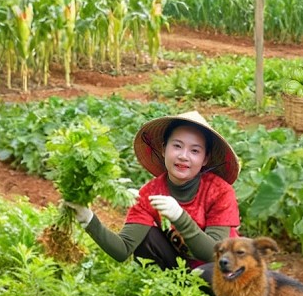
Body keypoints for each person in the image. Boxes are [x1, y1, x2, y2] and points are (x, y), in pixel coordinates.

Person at [68, 110, 240, 281]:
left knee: (213, 274)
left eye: (195, 151)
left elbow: (217, 255)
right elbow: (123, 249)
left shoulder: (219, 191)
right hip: (181, 272)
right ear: (164, 149)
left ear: (205, 159)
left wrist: (180, 218)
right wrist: (88, 219)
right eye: (177, 146)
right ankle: (165, 295)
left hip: (223, 268)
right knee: (147, 237)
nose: (183, 156)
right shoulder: (150, 193)